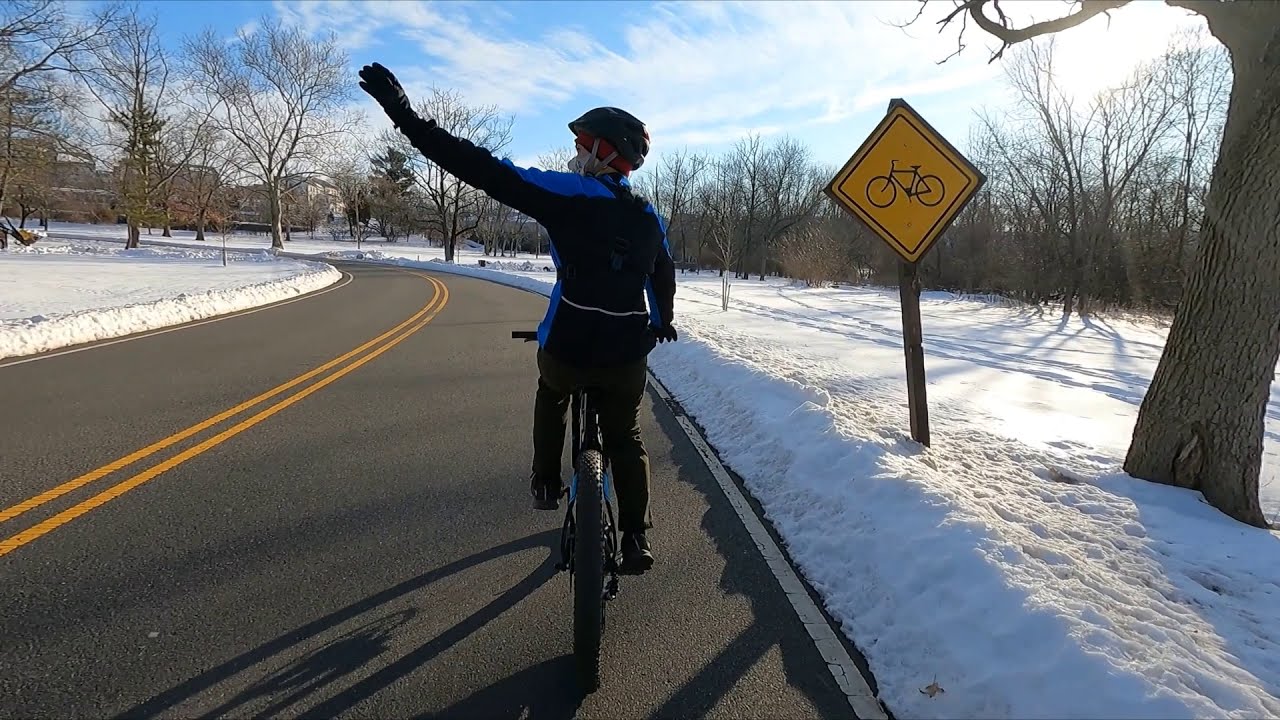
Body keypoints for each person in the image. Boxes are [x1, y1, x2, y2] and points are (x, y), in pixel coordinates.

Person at [359, 63, 677, 574]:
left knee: (552, 393)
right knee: (626, 437)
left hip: (569, 345)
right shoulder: (649, 218)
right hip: (625, 354)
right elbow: (662, 280)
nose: (576, 155)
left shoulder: (567, 195)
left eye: (583, 146)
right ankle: (637, 537)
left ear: (602, 152)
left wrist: (406, 117)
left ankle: (547, 481)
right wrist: (662, 321)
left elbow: (480, 167)